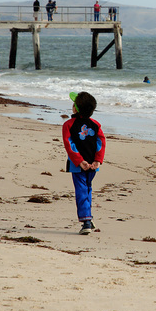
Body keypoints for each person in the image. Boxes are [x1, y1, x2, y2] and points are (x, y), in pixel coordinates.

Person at [62, 91, 106, 235]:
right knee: (87, 189)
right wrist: (97, 161)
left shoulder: (68, 125)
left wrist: (82, 161)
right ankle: (88, 217)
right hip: (90, 164)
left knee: (82, 190)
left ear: (76, 108)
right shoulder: (95, 124)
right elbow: (101, 143)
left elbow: (69, 145)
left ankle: (86, 221)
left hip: (79, 166)